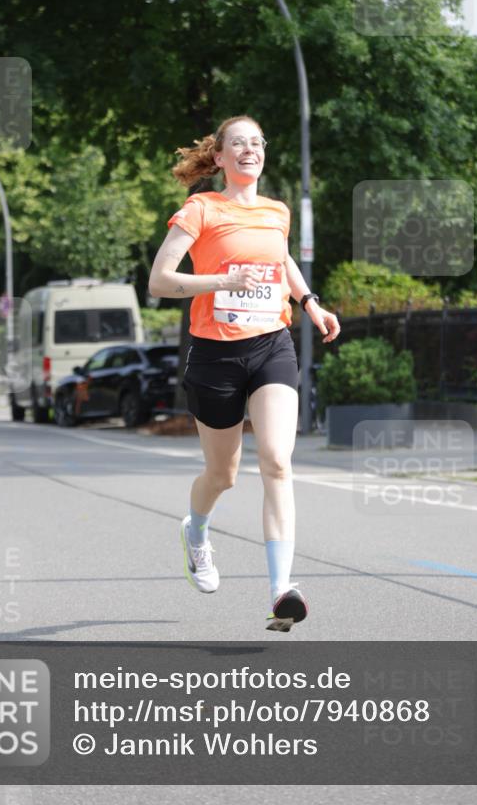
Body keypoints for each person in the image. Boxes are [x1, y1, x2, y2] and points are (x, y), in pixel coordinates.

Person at [148, 115, 340, 632]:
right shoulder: (200, 209)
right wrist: (221, 280)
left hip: (271, 345)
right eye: (239, 144)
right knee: (223, 474)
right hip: (215, 355)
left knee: (278, 460)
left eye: (257, 142)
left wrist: (309, 303)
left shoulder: (277, 212)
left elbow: (281, 262)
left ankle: (281, 589)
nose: (249, 150)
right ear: (220, 158)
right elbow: (161, 281)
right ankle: (197, 533)